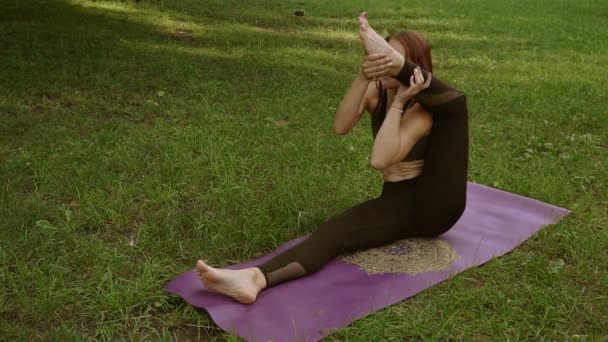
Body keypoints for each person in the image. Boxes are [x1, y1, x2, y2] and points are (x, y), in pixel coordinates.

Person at [194, 12, 469, 304]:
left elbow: (380, 160)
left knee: (456, 106)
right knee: (331, 234)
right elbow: (341, 126)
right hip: (398, 200)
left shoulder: (421, 112)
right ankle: (254, 279)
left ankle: (254, 279)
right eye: (379, 56)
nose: (381, 64)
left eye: (389, 59)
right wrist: (364, 75)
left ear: (410, 68)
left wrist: (400, 101)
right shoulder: (377, 91)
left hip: (436, 206)